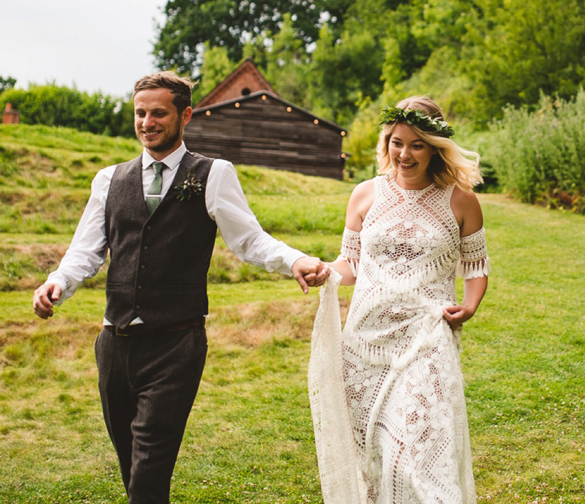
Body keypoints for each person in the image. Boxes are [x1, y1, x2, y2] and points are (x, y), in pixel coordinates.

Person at [31, 71, 327, 504]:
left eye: (158, 113)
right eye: (140, 113)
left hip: (176, 344)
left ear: (185, 115)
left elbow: (249, 239)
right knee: (132, 467)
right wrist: (57, 282)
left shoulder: (213, 173)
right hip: (114, 346)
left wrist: (294, 260)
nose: (147, 122)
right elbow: (86, 251)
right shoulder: (109, 180)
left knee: (149, 470)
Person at [308, 96, 488, 503]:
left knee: (422, 454)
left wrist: (470, 305)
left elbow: (475, 266)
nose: (404, 154)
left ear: (435, 147)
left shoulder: (460, 200)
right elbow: (350, 263)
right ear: (386, 142)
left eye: (417, 144)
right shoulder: (365, 195)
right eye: (396, 142)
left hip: (427, 338)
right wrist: (324, 271)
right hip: (365, 343)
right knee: (374, 456)